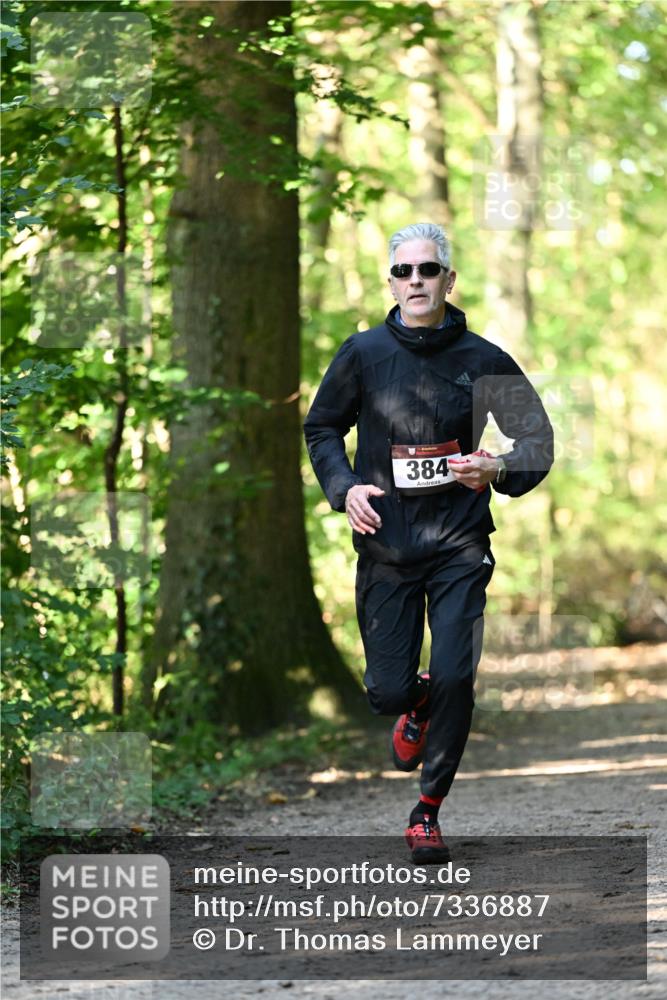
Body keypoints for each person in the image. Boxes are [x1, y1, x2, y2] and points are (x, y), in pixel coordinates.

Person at [304, 222, 553, 863]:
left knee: (455, 673)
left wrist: (498, 467)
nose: (416, 280)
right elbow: (323, 428)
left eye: (428, 269)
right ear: (391, 281)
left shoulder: (483, 358)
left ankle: (428, 810)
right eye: (403, 271)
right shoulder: (362, 354)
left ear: (448, 279)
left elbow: (537, 440)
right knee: (387, 689)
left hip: (460, 546)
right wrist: (346, 488)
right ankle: (413, 703)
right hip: (386, 545)